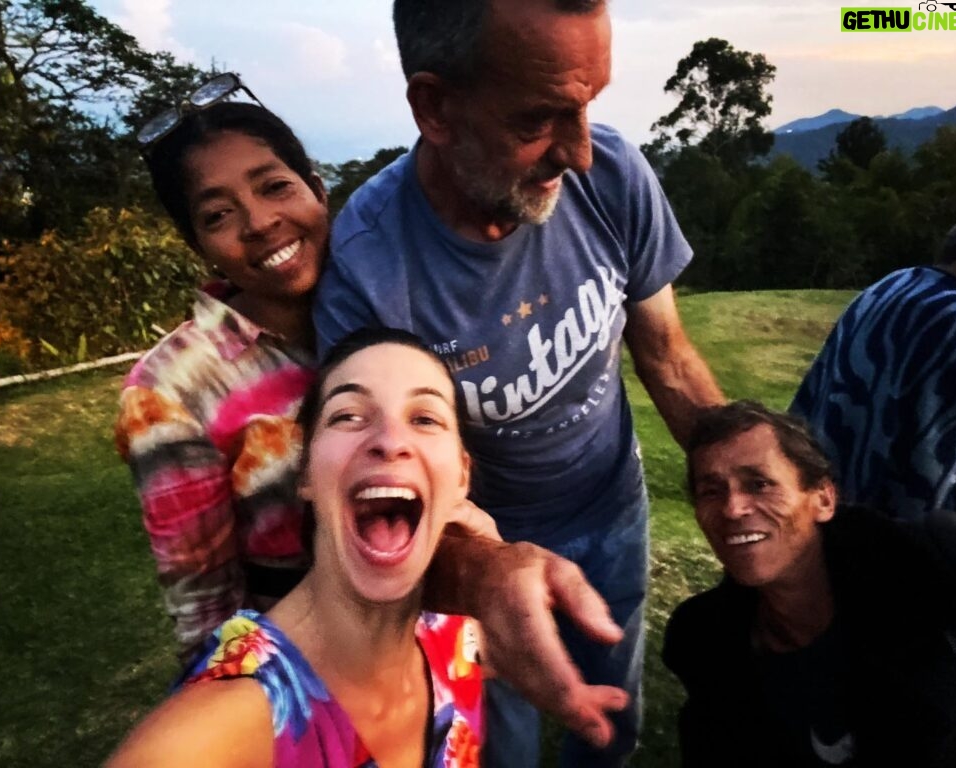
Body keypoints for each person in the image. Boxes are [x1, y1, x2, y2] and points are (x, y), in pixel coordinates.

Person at [114, 76, 627, 747]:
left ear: (316, 187)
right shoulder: (172, 390)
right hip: (316, 669)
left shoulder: (389, 295)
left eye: (275, 186)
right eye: (217, 215)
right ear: (197, 245)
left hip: (442, 621)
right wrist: (240, 724)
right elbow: (203, 602)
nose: (260, 222)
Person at [313, 1, 724, 764]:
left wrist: (750, 477)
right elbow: (382, 479)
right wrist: (480, 572)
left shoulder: (616, 178)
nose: (580, 152)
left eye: (588, 105)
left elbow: (665, 352)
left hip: (614, 506)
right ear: (435, 107)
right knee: (500, 741)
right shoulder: (373, 268)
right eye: (538, 119)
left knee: (612, 715)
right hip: (478, 548)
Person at [108, 328, 487, 767]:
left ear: (461, 476)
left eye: (425, 418)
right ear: (304, 470)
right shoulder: (227, 719)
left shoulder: (457, 634)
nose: (391, 441)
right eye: (348, 415)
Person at [664, 400, 956, 767]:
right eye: (711, 491)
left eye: (759, 484)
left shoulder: (943, 566)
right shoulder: (708, 646)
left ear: (823, 498)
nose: (733, 508)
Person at [791, 208, 956, 520]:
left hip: (817, 491)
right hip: (876, 525)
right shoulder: (954, 321)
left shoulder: (892, 284)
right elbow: (933, 454)